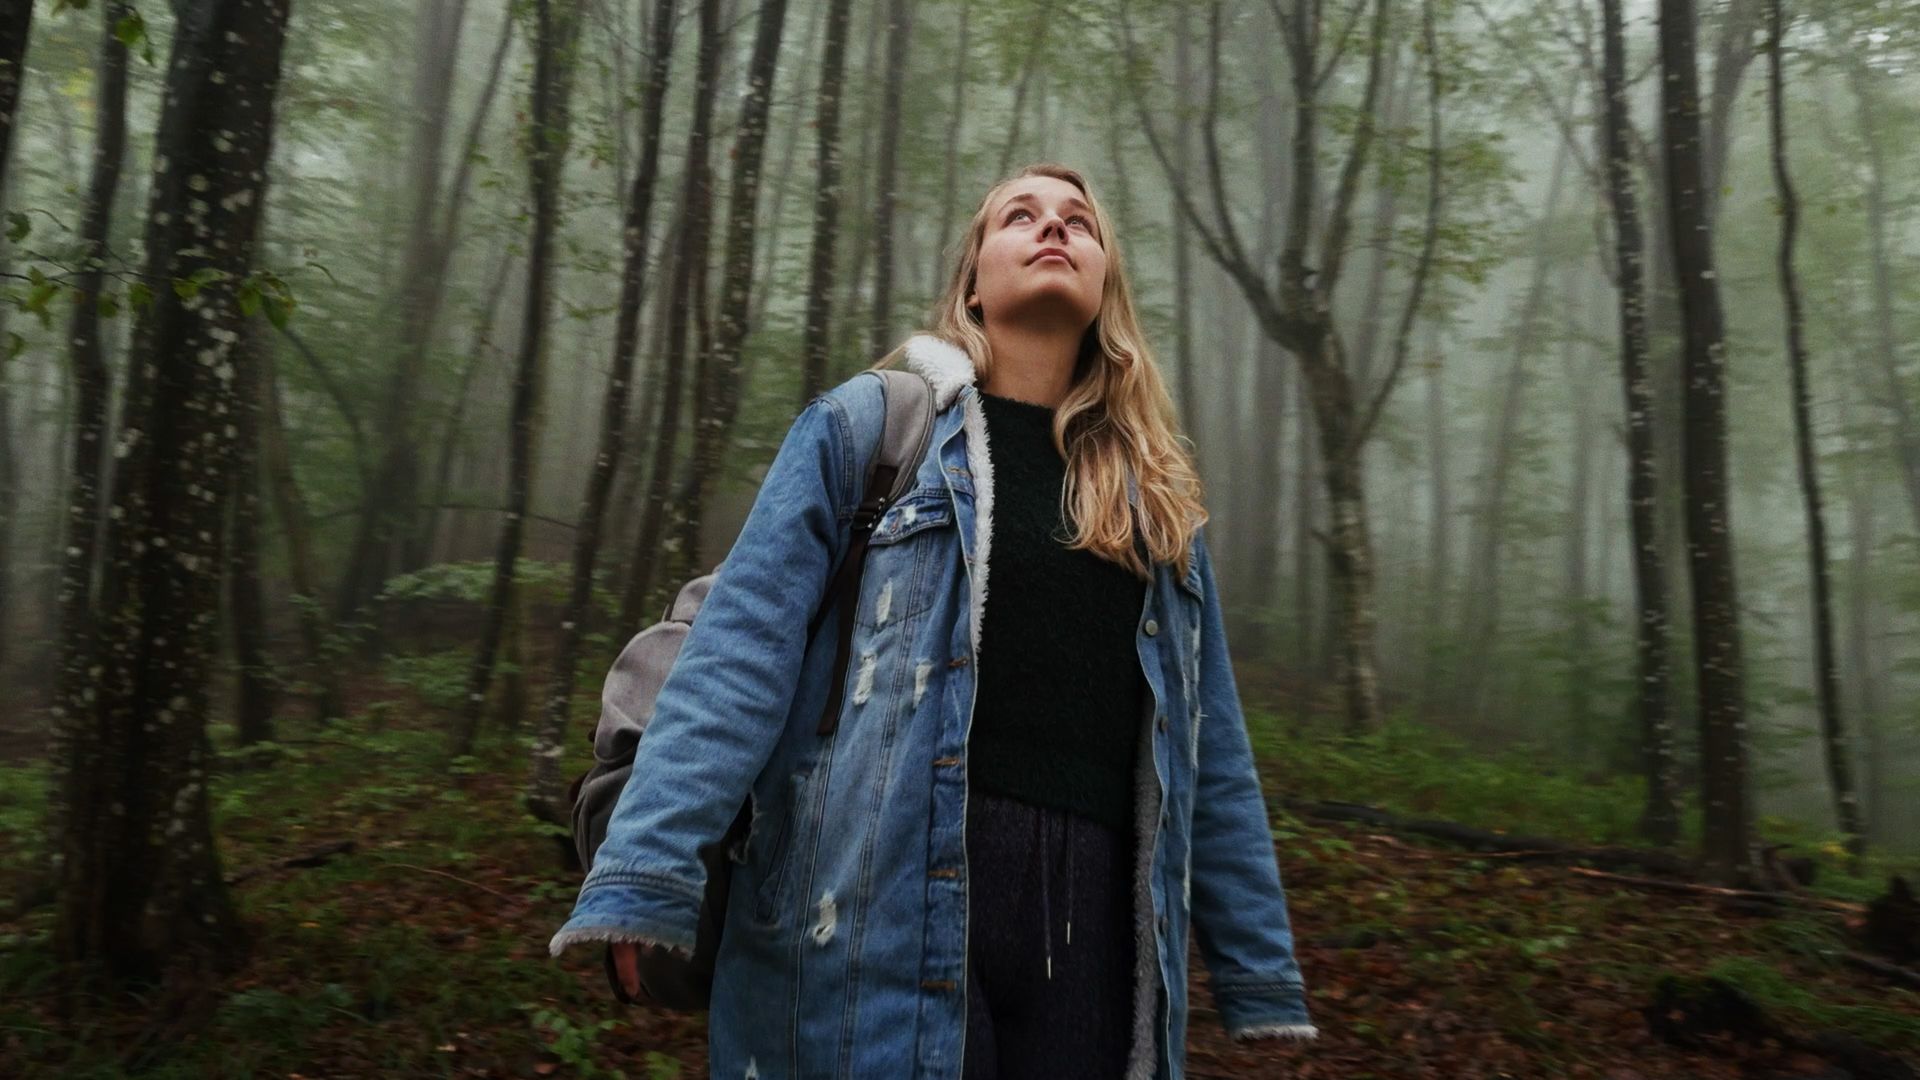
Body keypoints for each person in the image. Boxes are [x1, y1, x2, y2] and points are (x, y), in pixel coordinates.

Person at [549, 162, 1318, 1080]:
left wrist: (1257, 967)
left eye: (1079, 221)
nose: (1054, 227)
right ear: (973, 283)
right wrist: (650, 870)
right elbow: (736, 657)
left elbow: (1210, 747)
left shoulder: (1157, 504)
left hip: (1097, 941)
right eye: (1020, 215)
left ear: (1105, 282)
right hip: (873, 910)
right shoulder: (871, 428)